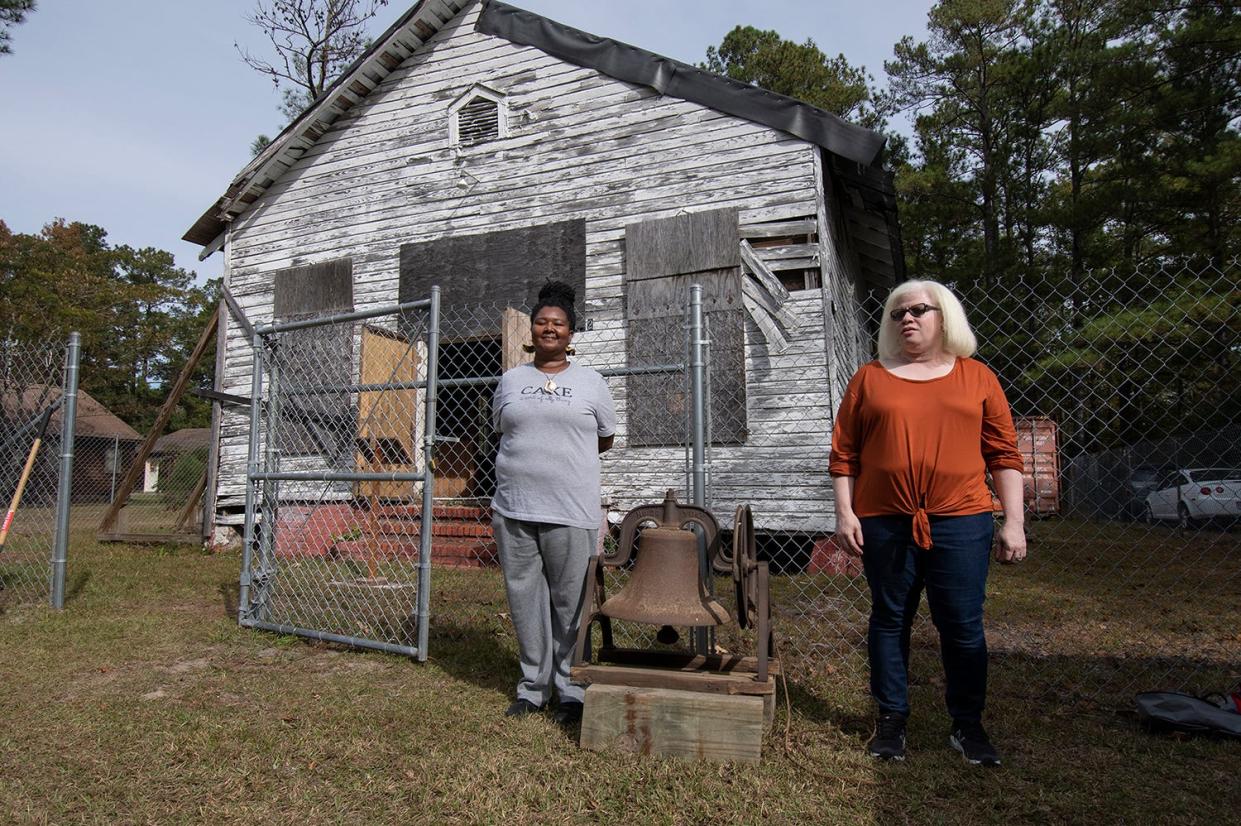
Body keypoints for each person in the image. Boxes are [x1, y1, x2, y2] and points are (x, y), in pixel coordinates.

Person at [828, 279, 1026, 767]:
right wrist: (845, 512)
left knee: (961, 625)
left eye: (918, 310)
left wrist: (1014, 521)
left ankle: (968, 725)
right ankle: (891, 721)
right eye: (897, 313)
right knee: (890, 620)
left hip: (962, 521)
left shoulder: (977, 377)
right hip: (885, 522)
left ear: (946, 317)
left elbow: (1004, 454)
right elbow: (843, 454)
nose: (907, 319)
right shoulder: (869, 379)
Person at [491, 281, 617, 725]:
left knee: (571, 602)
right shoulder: (510, 381)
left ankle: (571, 691)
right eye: (542, 322)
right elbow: (503, 431)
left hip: (570, 509)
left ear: (570, 333)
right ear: (532, 330)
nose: (550, 329)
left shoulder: (592, 383)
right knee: (524, 599)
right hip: (514, 507)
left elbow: (605, 438)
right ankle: (532, 688)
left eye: (558, 323)